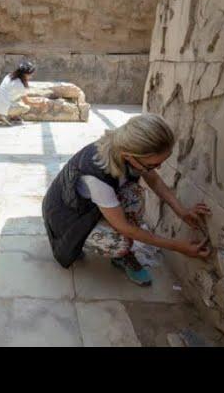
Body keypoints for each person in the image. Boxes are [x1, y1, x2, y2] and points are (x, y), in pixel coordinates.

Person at [42, 113, 211, 286]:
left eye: (161, 162)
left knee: (134, 194)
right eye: (152, 165)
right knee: (121, 242)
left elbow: (153, 179)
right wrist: (178, 247)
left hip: (89, 204)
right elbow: (125, 228)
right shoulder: (97, 176)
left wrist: (181, 211)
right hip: (68, 217)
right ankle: (120, 255)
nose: (157, 168)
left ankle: (112, 237)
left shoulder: (124, 147)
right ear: (129, 155)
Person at [0, 60, 36, 125]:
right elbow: (27, 102)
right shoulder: (19, 84)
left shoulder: (9, 76)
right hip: (3, 107)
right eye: (31, 74)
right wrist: (41, 104)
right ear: (25, 74)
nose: (32, 76)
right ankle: (7, 115)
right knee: (26, 107)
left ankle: (12, 116)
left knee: (18, 98)